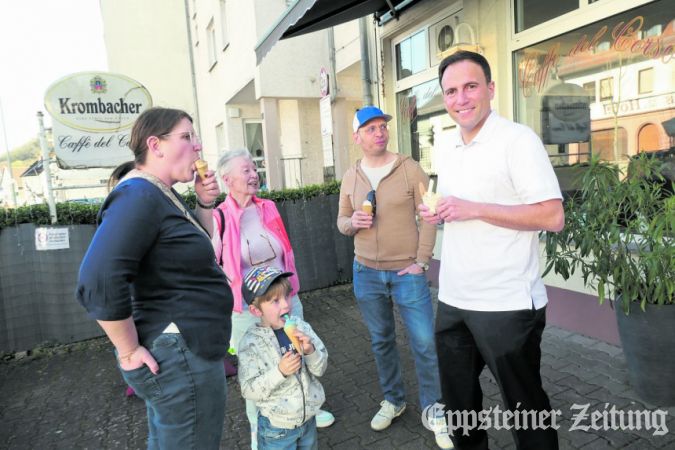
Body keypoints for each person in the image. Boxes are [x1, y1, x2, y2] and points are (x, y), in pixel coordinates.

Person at [419, 51, 564, 450]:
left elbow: (552, 216)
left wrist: (475, 208)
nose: (461, 98)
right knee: (460, 411)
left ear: (490, 89)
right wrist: (439, 213)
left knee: (527, 412)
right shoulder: (448, 146)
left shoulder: (518, 140)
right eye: (451, 91)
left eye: (470, 86)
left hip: (506, 302)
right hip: (454, 298)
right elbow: (460, 211)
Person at [77, 107, 233, 450]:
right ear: (155, 145)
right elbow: (98, 279)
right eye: (186, 137)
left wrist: (204, 203)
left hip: (185, 350)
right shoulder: (139, 195)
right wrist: (129, 350)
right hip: (182, 354)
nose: (197, 145)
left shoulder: (161, 193)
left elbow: (198, 249)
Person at [337, 106, 453, 449]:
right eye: (371, 128)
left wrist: (422, 261)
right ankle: (393, 400)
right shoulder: (350, 176)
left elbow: (430, 214)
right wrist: (352, 223)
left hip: (407, 273)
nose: (379, 133)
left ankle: (434, 409)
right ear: (357, 137)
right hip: (366, 272)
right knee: (381, 341)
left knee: (425, 342)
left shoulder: (410, 169)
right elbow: (341, 220)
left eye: (382, 127)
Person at [211, 149, 335, 449]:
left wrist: (290, 291)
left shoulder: (268, 207)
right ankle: (259, 428)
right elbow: (212, 263)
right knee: (259, 367)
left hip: (284, 298)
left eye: (254, 168)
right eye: (246, 170)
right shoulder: (219, 217)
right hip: (248, 308)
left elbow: (284, 250)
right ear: (227, 179)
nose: (254, 174)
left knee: (299, 349)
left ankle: (305, 409)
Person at [238, 265, 327, 450]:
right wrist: (280, 372)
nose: (286, 304)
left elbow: (320, 369)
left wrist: (310, 351)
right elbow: (248, 390)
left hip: (308, 420)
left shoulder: (302, 327)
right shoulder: (251, 343)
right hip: (275, 428)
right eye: (275, 301)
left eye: (287, 296)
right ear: (256, 310)